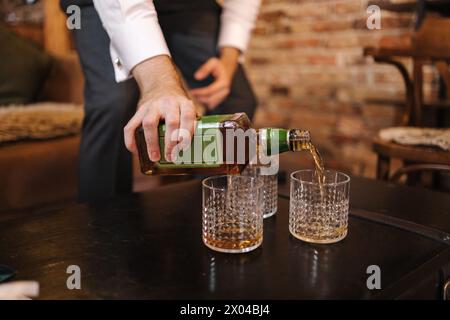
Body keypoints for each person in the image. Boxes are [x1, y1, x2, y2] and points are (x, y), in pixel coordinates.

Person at [60, 0, 261, 202]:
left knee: (237, 99)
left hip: (188, 8)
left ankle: (210, 206)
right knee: (113, 103)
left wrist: (228, 60)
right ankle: (101, 223)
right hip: (95, 4)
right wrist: (158, 83)